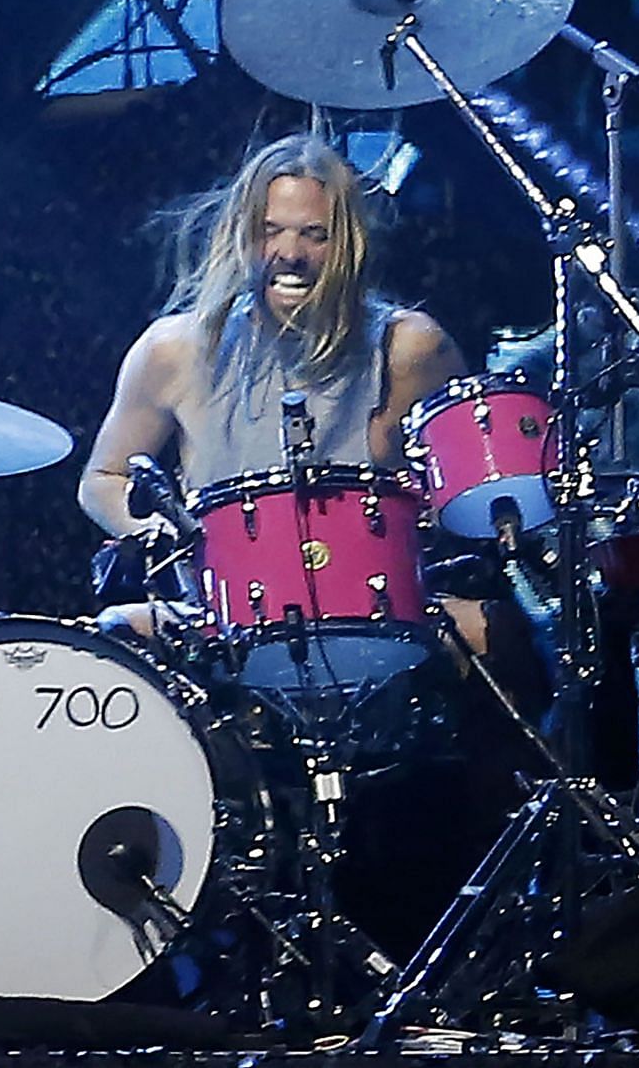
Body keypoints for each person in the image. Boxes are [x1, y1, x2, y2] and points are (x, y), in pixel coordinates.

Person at [77, 132, 547, 962]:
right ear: (243, 234)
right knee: (111, 634)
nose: (289, 252)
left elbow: (455, 488)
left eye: (314, 233)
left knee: (505, 638)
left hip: (379, 601)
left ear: (347, 242)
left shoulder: (409, 345)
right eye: (272, 230)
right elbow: (103, 477)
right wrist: (155, 530)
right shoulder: (173, 349)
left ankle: (490, 926)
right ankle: (123, 928)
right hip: (218, 607)